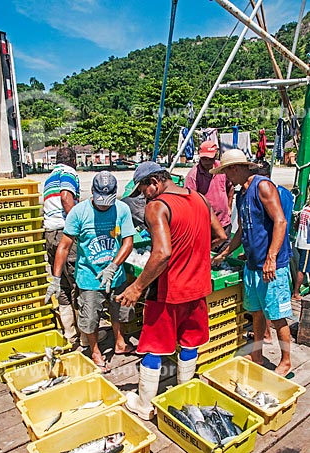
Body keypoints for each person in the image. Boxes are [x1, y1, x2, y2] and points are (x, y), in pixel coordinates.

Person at [116, 161, 227, 420]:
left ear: (154, 182)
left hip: (169, 291)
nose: (143, 196)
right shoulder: (200, 198)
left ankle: (145, 405)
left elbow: (162, 253)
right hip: (198, 287)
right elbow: (220, 235)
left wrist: (137, 287)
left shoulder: (157, 206)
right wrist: (193, 251)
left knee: (153, 347)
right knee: (189, 343)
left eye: (143, 189)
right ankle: (184, 393)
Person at [45, 171, 136, 373]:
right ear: (92, 193)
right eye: (100, 201)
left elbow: (128, 241)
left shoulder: (122, 209)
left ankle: (120, 343)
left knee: (118, 311)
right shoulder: (78, 212)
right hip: (89, 277)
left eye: (108, 201)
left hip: (116, 275)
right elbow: (64, 247)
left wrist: (113, 266)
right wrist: (56, 279)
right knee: (90, 318)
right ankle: (95, 351)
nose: (104, 205)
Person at [212, 149, 293, 377]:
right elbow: (241, 231)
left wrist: (271, 257)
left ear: (235, 168)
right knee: (256, 313)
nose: (227, 178)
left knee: (277, 316)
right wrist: (225, 252)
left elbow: (280, 221)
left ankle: (286, 361)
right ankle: (257, 354)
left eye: (226, 172)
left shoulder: (262, 186)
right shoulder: (240, 194)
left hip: (271, 266)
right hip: (252, 265)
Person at [43, 147, 80, 347]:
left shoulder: (50, 177)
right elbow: (67, 197)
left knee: (62, 284)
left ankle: (69, 334)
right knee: (77, 283)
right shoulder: (68, 173)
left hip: (49, 234)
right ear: (73, 160)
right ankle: (85, 335)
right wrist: (79, 225)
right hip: (64, 233)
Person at [184, 140, 234, 251]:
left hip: (224, 221)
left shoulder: (222, 169)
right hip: (205, 225)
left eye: (209, 159)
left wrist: (229, 206)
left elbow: (230, 187)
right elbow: (188, 201)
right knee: (204, 254)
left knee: (224, 257)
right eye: (204, 159)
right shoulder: (193, 175)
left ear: (215, 156)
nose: (206, 162)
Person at [293, 202, 310, 300]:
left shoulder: (304, 209)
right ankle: (296, 293)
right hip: (306, 245)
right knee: (302, 269)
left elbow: (296, 226)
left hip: (299, 241)